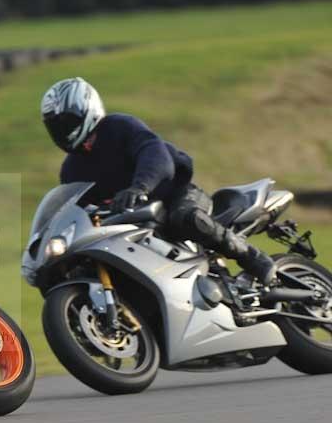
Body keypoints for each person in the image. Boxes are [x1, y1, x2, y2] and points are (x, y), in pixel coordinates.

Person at [40, 77, 276, 284]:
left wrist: (140, 186)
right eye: (55, 126)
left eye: (67, 121)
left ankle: (252, 258)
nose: (62, 130)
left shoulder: (119, 126)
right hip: (134, 221)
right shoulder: (71, 170)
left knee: (187, 217)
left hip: (174, 194)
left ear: (86, 108)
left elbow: (154, 153)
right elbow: (76, 207)